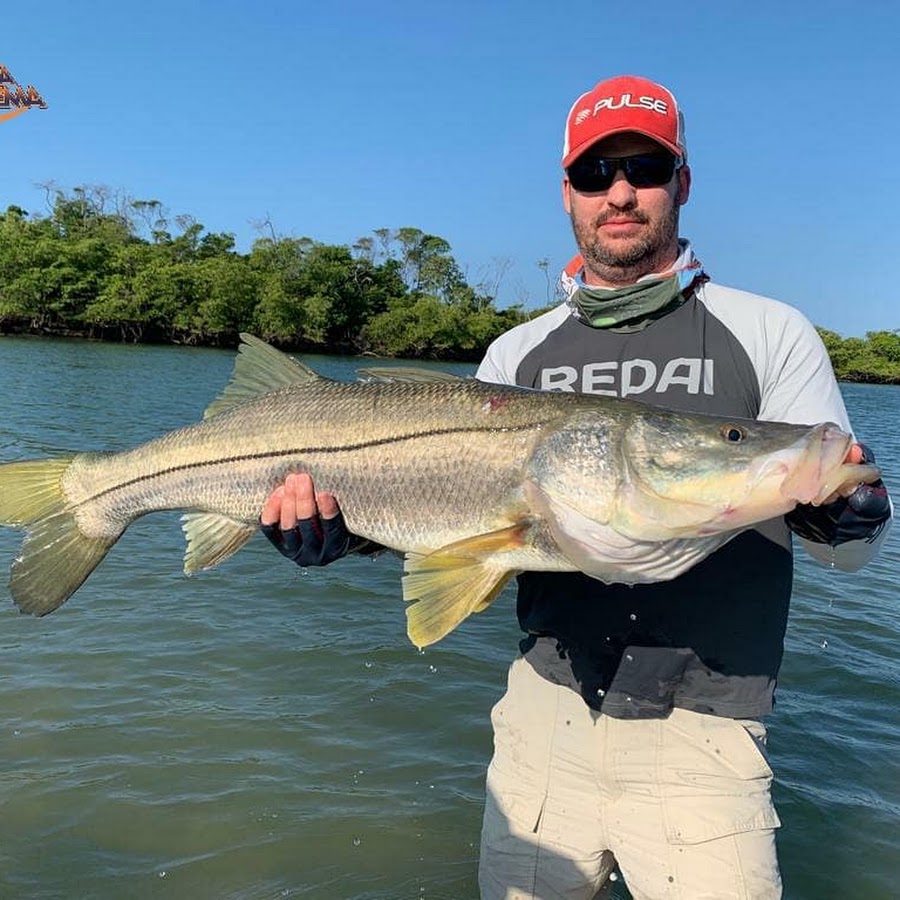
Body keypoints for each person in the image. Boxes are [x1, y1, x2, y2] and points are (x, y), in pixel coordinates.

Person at [259, 75, 892, 900]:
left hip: (705, 733)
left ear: (683, 184)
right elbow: (460, 528)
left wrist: (849, 512)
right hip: (539, 724)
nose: (620, 192)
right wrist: (340, 535)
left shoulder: (770, 331)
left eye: (645, 168)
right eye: (596, 173)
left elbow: (856, 549)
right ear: (567, 193)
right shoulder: (515, 355)